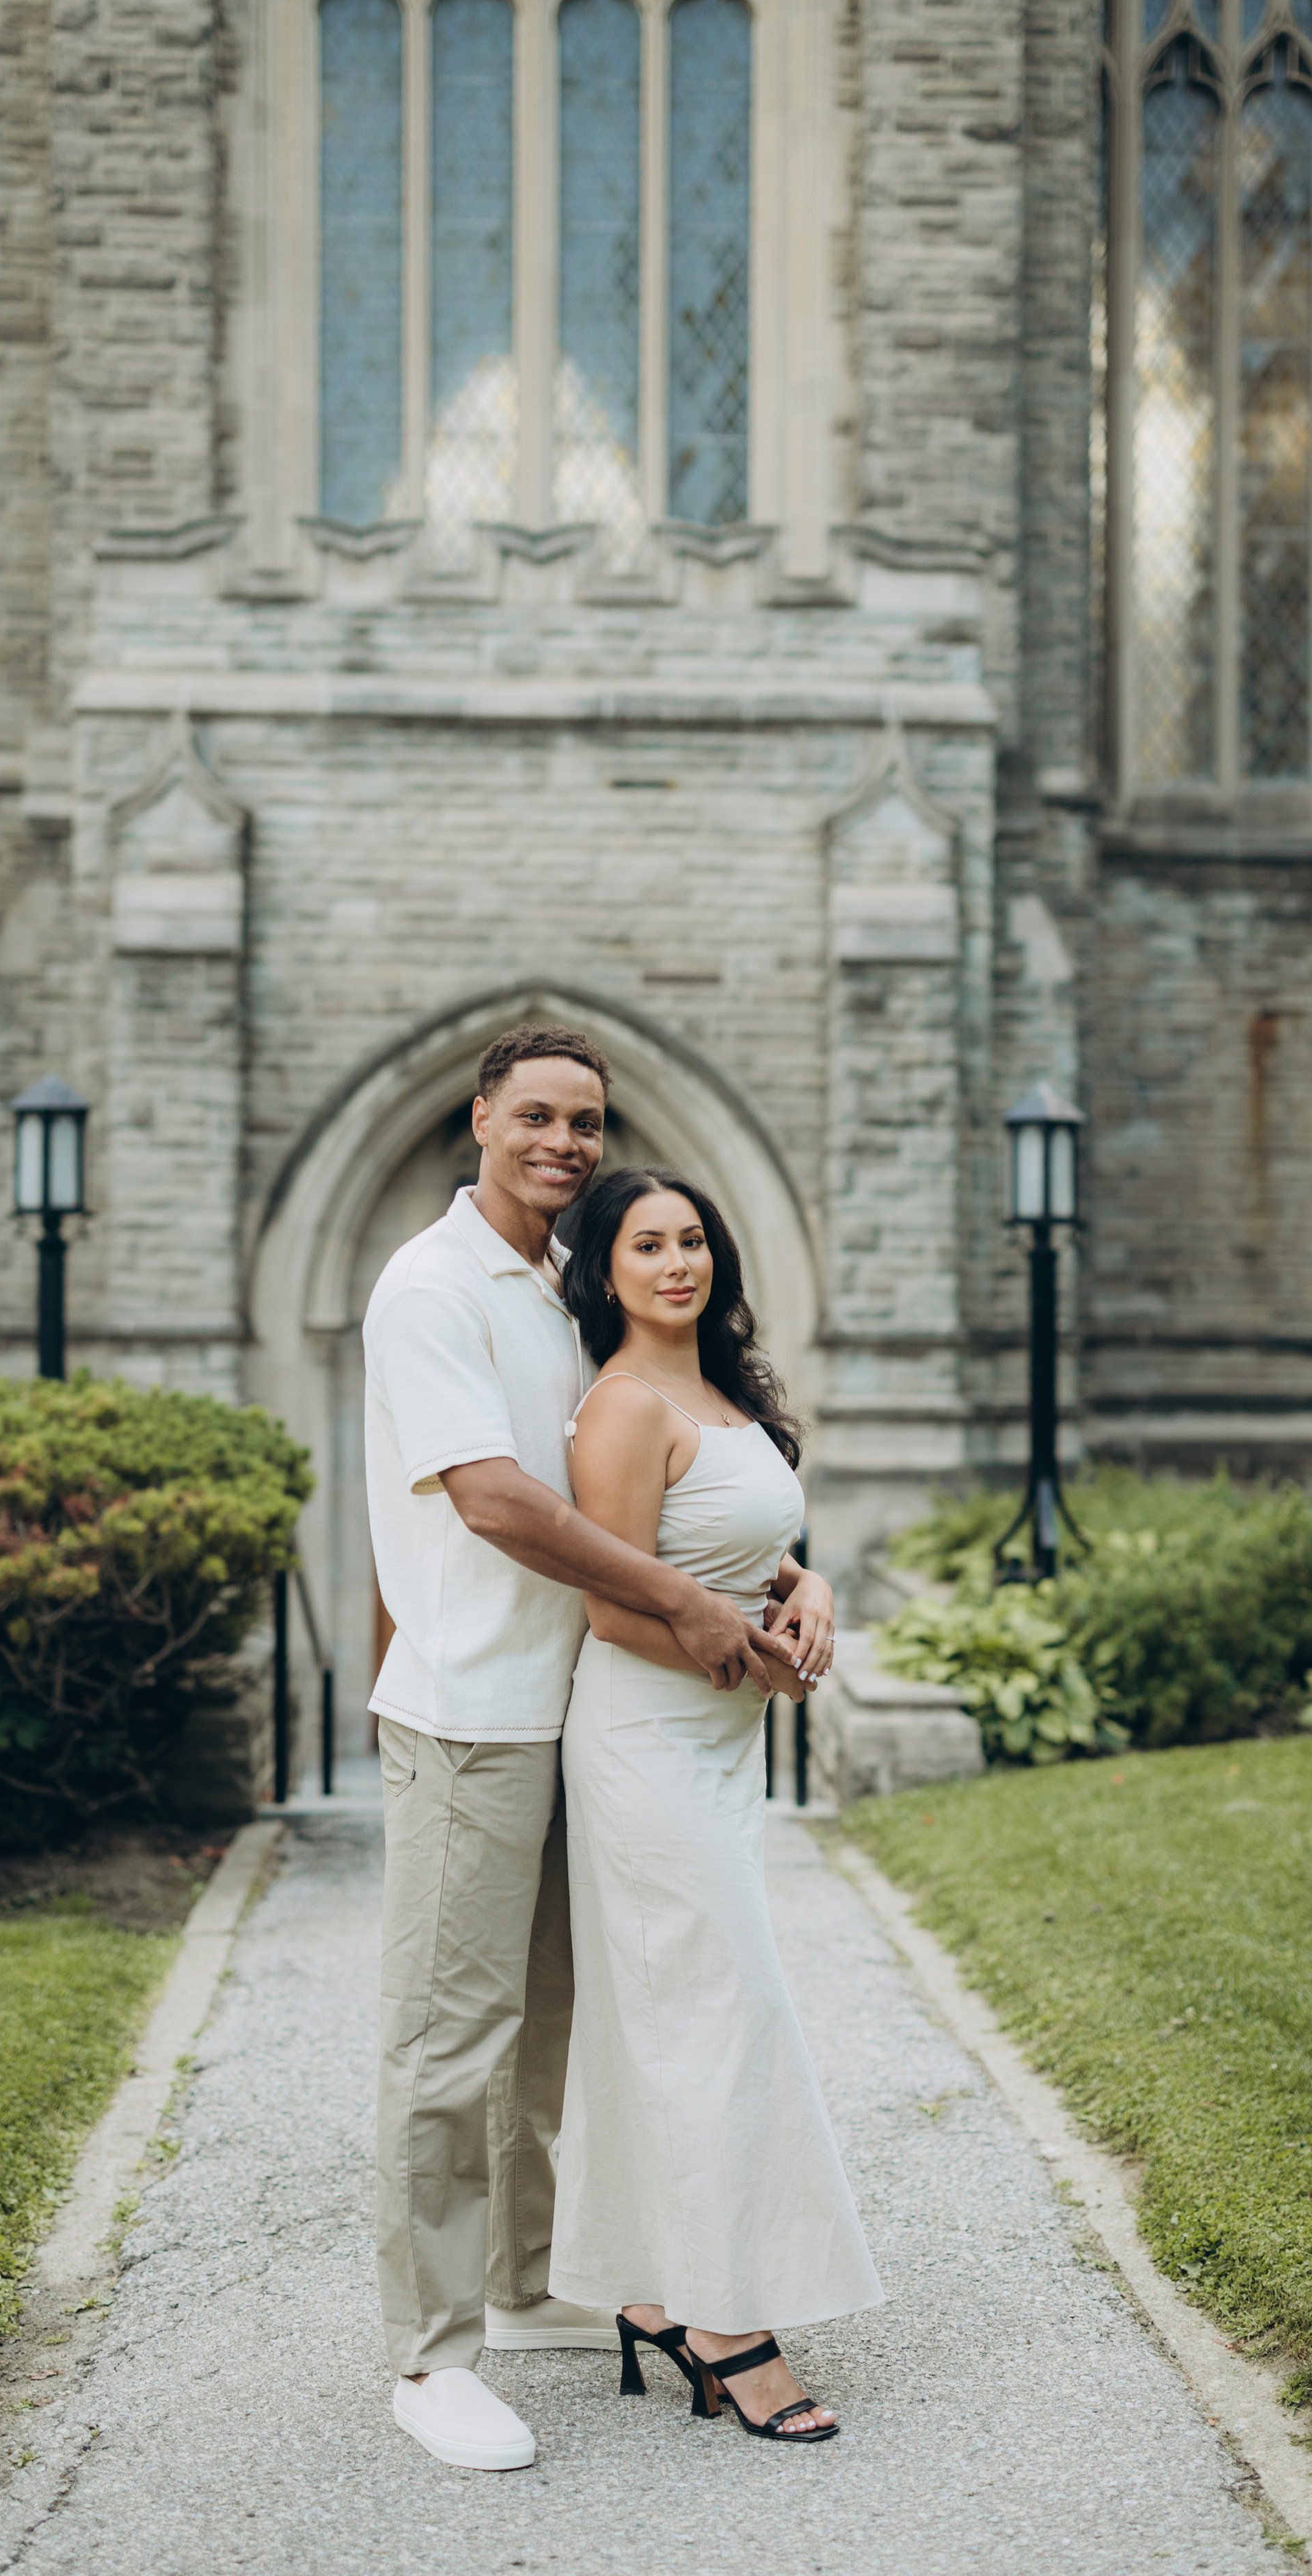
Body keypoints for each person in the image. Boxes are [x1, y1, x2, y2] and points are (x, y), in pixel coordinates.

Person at [362, 1026, 837, 2473]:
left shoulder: (570, 1285)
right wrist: (690, 1606)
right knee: (452, 2038)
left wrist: (782, 1576)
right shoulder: (431, 1285)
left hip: (589, 1708)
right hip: (472, 1709)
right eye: (537, 1116)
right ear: (480, 1119)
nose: (563, 1142)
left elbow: (672, 1484)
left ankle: (525, 2287)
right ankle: (430, 2358)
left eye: (585, 1120)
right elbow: (497, 1501)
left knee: (560, 2027)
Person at [547, 1165, 883, 2442]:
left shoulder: (723, 1395)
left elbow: (737, 1547)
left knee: (677, 2014)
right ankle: (727, 2329)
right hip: (646, 1741)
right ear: (606, 1271)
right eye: (647, 1246)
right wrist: (751, 1660)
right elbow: (612, 1602)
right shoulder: (624, 1406)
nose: (677, 1263)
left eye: (691, 1241)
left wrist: (811, 1590)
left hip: (718, 1748)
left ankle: (652, 2293)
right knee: (718, 2014)